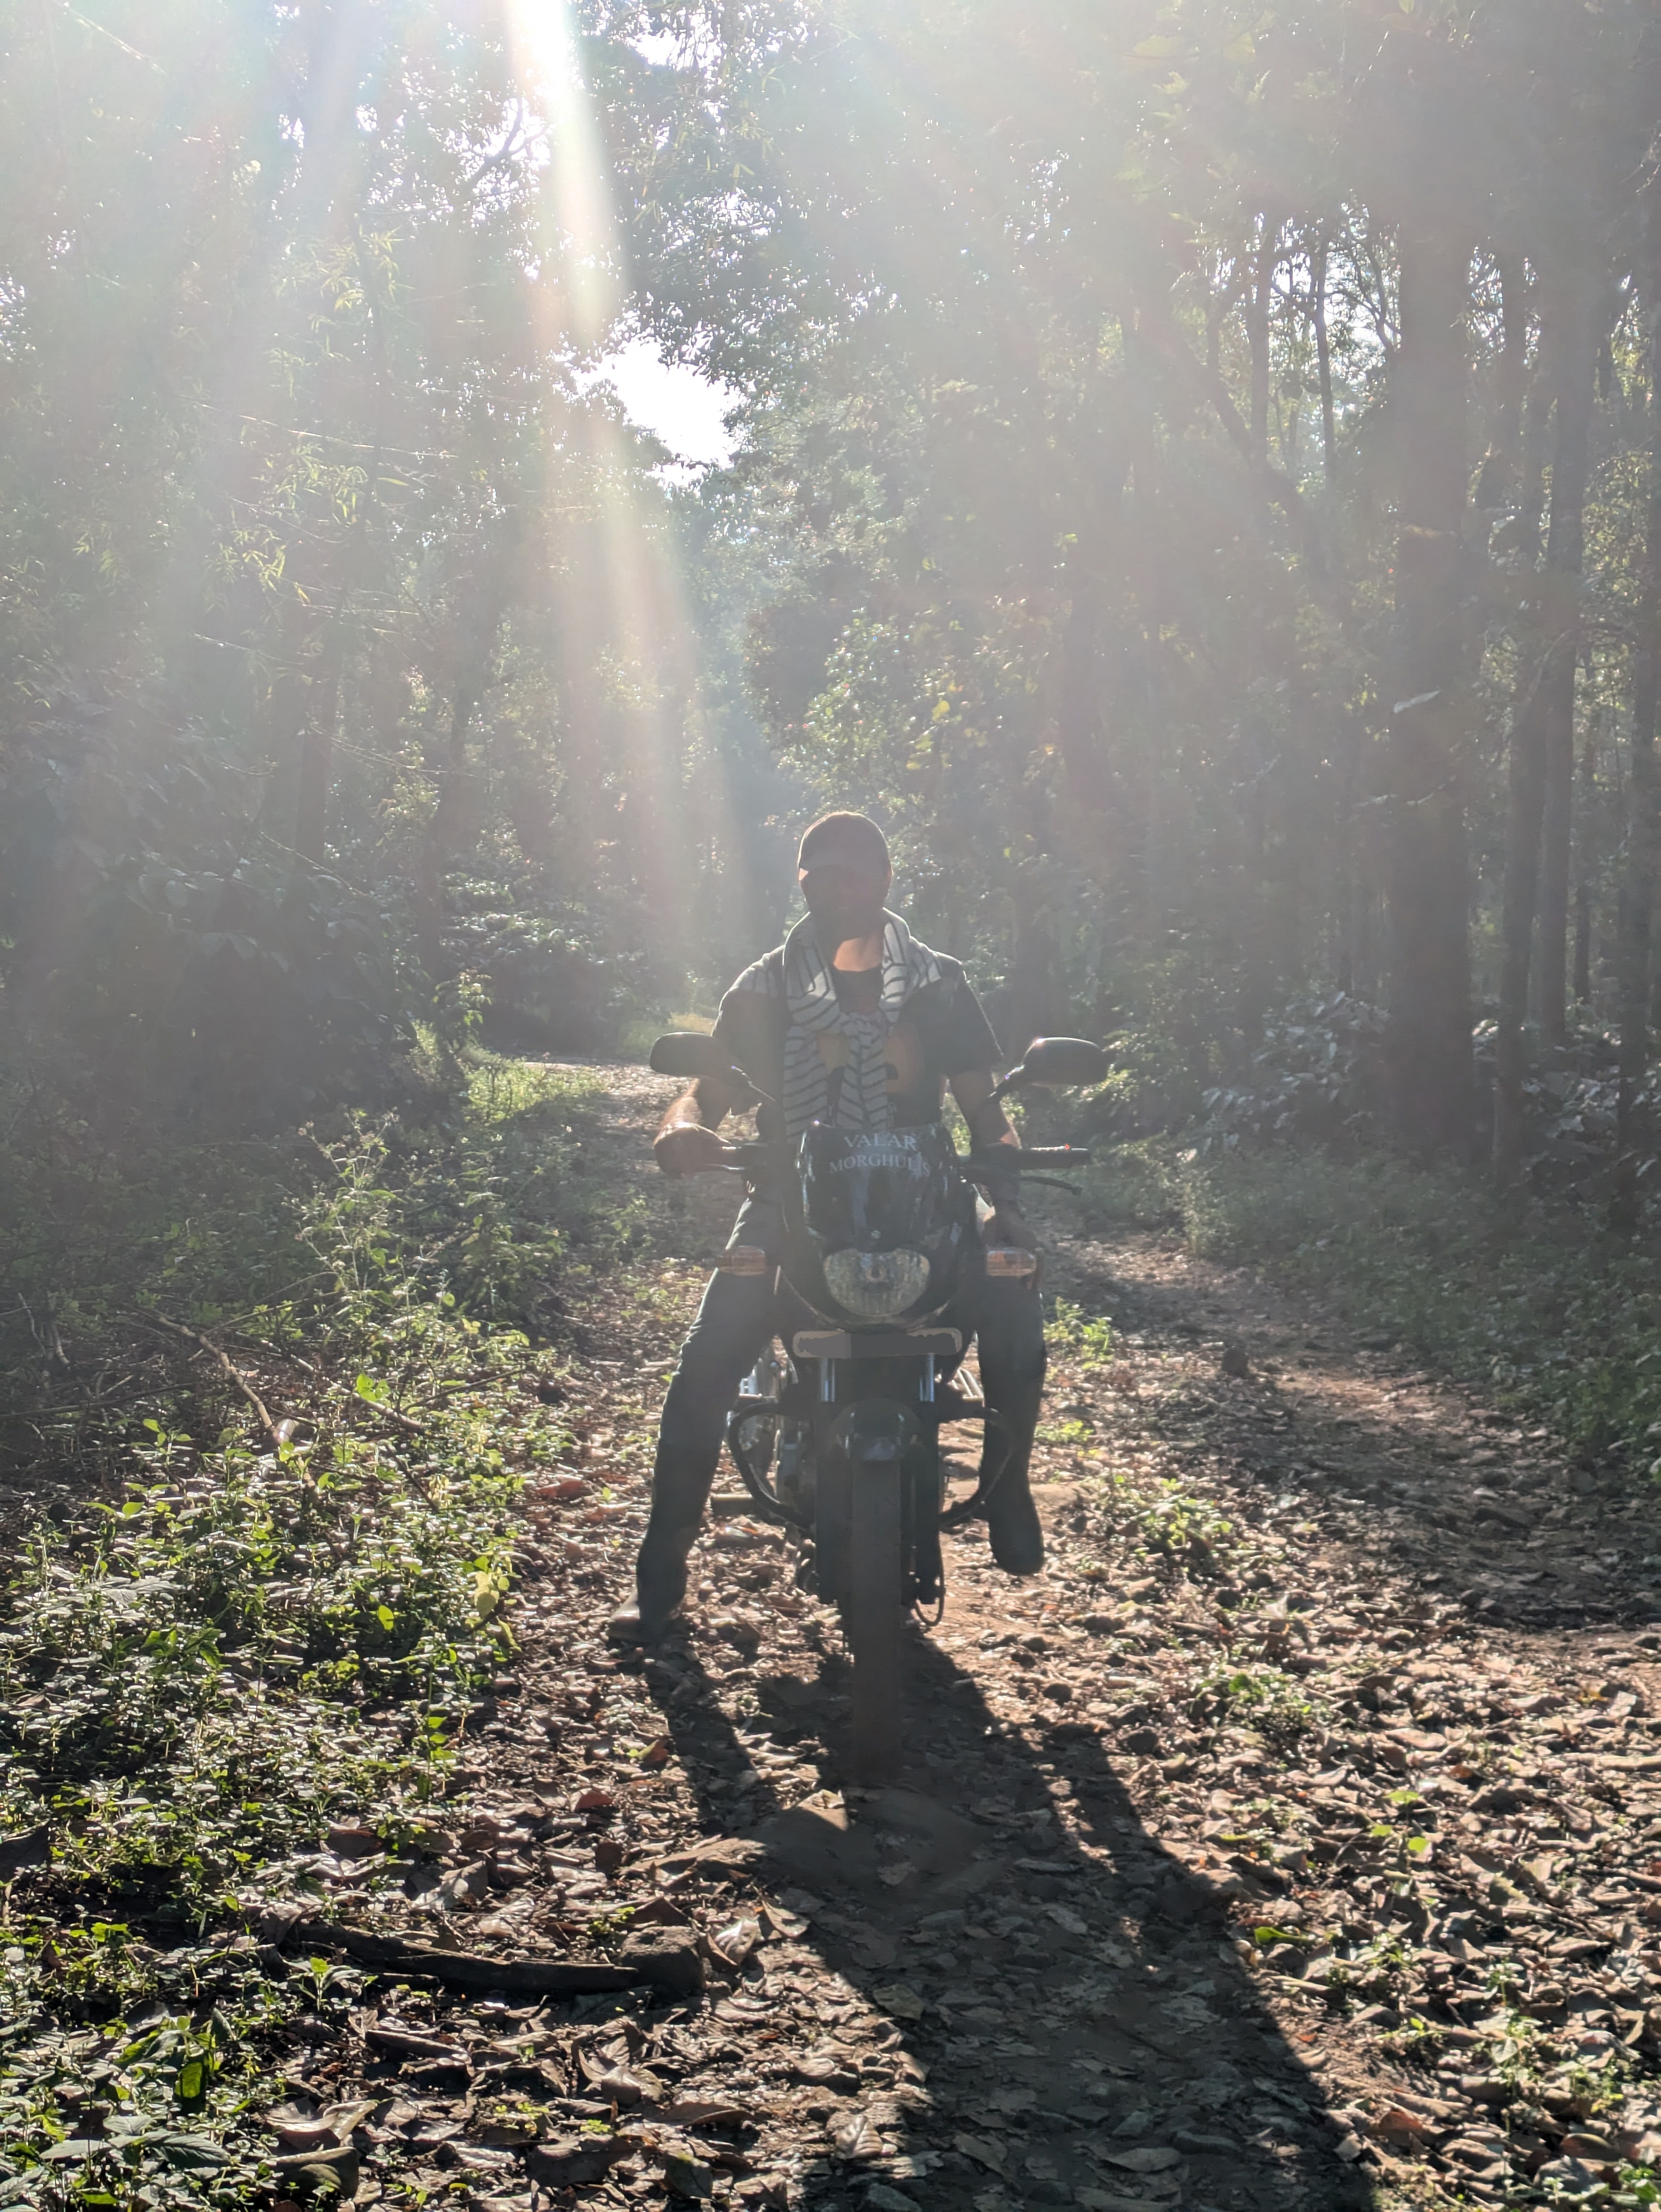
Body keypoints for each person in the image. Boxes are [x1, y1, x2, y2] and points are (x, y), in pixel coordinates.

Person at [609, 811, 1047, 1643]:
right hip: (791, 1199)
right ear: (801, 883)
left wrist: (1009, 1198)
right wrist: (679, 1127)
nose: (834, 888)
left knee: (1015, 1293)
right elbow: (709, 1088)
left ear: (885, 882)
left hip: (929, 1197)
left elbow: (981, 1103)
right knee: (708, 1361)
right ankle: (660, 1575)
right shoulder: (766, 986)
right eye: (818, 874)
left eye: (852, 873)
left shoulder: (938, 982)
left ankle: (1009, 1483)